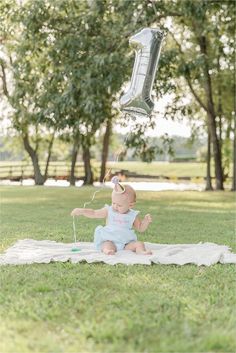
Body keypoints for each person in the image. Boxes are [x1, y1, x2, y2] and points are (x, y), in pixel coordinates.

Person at [71, 177, 152, 255]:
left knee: (139, 244)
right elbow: (94, 213)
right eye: (113, 203)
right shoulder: (109, 210)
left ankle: (141, 252)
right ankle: (108, 251)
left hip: (126, 243)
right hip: (110, 240)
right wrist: (82, 211)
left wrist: (145, 222)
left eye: (119, 205)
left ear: (130, 205)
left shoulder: (132, 215)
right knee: (107, 244)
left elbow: (140, 228)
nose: (115, 206)